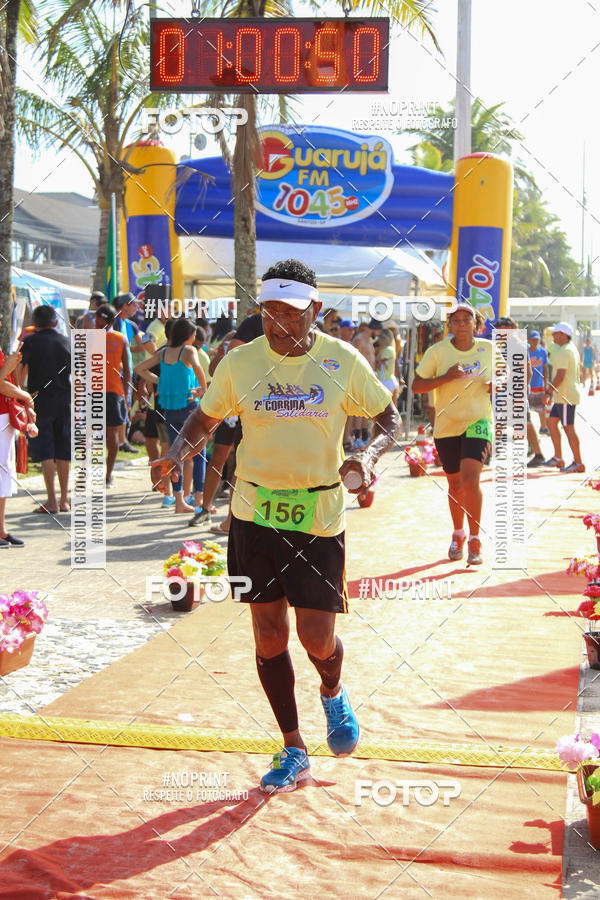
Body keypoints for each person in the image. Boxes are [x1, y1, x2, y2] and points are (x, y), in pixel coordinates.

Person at [153, 258, 400, 793]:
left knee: (316, 637)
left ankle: (332, 693)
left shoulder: (342, 360)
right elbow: (205, 418)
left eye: (289, 313)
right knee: (268, 635)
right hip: (252, 513)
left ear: (314, 310)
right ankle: (293, 747)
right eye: (268, 313)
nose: (276, 324)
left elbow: (390, 418)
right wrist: (176, 453)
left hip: (317, 515)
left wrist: (371, 456)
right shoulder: (240, 363)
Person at [413, 303, 501, 566]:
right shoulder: (437, 351)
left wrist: (498, 385)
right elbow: (417, 386)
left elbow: (507, 376)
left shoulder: (488, 348)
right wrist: (446, 377)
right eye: (457, 320)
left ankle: (475, 538)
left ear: (476, 323)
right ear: (449, 325)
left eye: (467, 319)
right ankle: (458, 533)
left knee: (471, 479)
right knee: (455, 484)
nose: (462, 323)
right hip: (447, 425)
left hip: (479, 421)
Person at [135, 316, 207, 513]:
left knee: (175, 457)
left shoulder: (164, 352)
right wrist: (202, 389)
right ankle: (199, 501)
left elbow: (139, 369)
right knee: (198, 454)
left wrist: (161, 381)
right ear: (190, 335)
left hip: (168, 410)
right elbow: (199, 368)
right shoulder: (188, 351)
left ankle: (179, 502)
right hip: (189, 408)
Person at [17, 305, 72, 513]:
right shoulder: (66, 341)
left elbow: (20, 369)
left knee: (46, 451)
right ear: (55, 322)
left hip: (39, 402)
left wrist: (22, 392)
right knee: (63, 451)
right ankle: (65, 500)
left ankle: (51, 501)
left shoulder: (30, 342)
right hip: (64, 401)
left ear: (35, 323)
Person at [0, 316, 36, 547]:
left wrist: (24, 402)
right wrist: (25, 397)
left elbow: (8, 380)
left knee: (3, 476)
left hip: (4, 416)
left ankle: (1, 528)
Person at [95, 303, 131, 486]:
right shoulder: (118, 338)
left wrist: (126, 395)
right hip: (104, 392)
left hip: (110, 392)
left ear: (105, 320)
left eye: (97, 318)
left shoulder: (119, 338)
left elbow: (128, 370)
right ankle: (104, 475)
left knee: (111, 436)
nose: (95, 321)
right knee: (106, 437)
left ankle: (107, 475)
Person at [544, 322, 585, 473]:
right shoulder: (570, 348)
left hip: (565, 395)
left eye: (556, 333)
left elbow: (560, 375)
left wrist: (547, 392)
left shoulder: (563, 351)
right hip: (563, 395)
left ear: (563, 335)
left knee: (568, 429)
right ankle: (558, 458)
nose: (553, 336)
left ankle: (578, 463)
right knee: (551, 422)